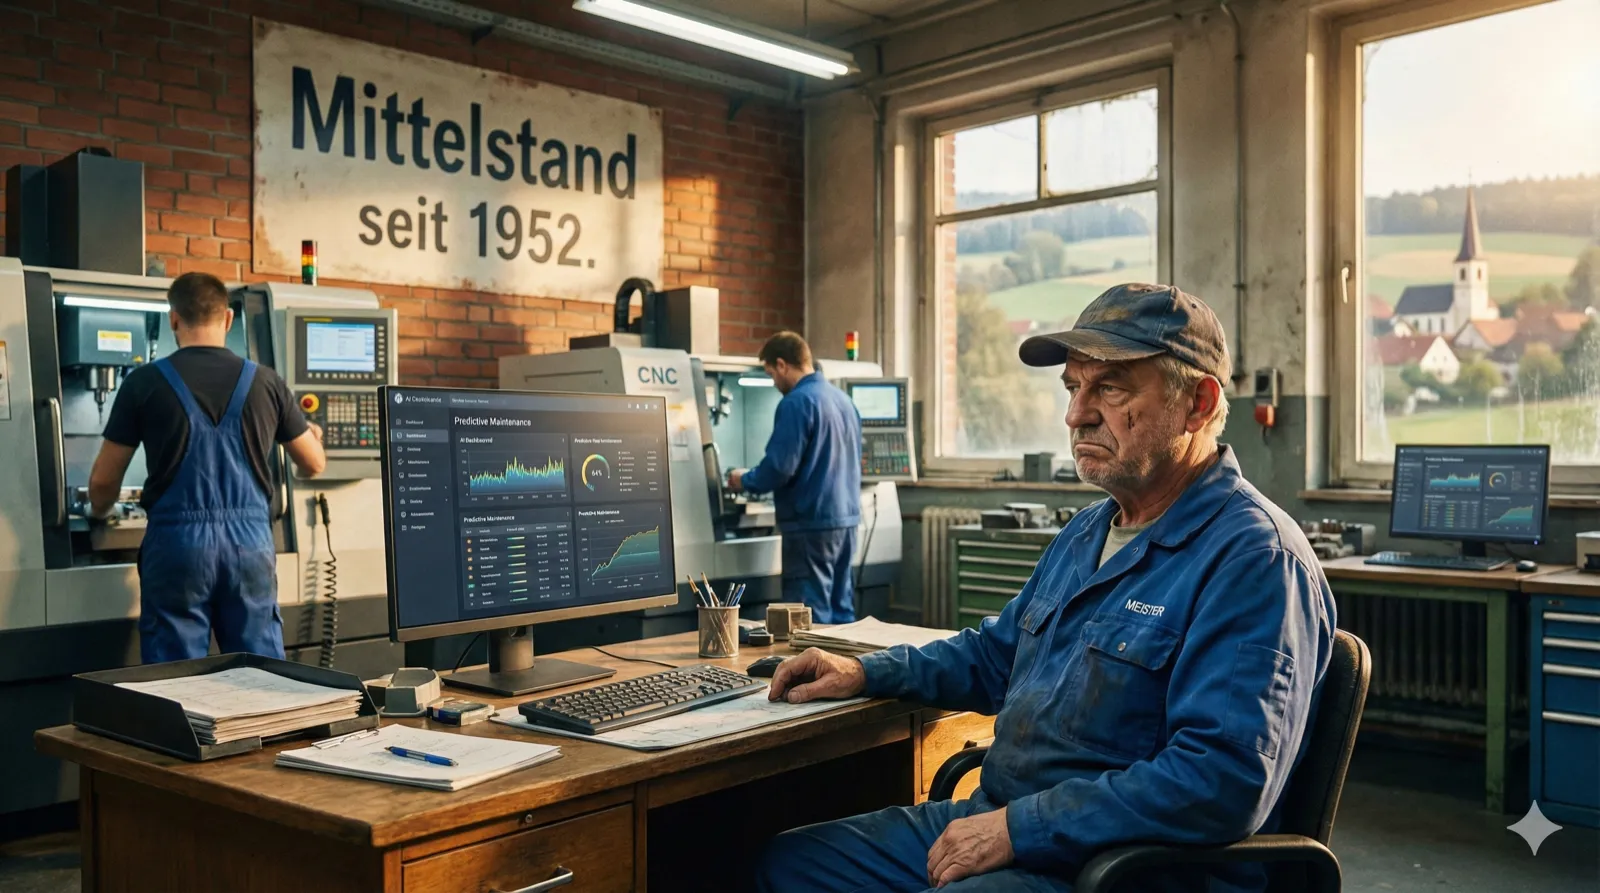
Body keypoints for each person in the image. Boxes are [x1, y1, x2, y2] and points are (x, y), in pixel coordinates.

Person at [755, 283, 1336, 893]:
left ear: (1197, 404)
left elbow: (1221, 781)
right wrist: (865, 673)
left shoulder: (1255, 559)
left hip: (1125, 869)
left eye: (1109, 388)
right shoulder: (1090, 530)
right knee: (790, 864)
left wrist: (1019, 829)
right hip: (1007, 821)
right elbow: (994, 656)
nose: (1076, 413)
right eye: (1072, 388)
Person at [87, 272, 327, 664]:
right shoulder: (267, 382)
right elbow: (313, 464)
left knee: (176, 680)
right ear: (228, 319)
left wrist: (100, 513)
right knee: (262, 677)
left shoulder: (143, 383)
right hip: (250, 547)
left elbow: (103, 481)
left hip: (177, 549)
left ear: (174, 320)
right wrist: (311, 434)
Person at [727, 331, 864, 624]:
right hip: (846, 522)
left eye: (771, 374)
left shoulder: (796, 403)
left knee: (808, 616)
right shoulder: (843, 401)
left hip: (810, 526)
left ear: (782, 364)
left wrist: (743, 480)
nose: (774, 384)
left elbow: (779, 468)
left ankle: (814, 670)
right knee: (840, 610)